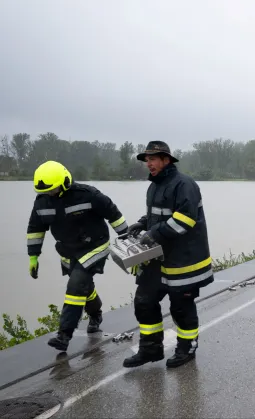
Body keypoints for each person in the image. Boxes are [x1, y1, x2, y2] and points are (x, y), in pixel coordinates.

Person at [123, 141, 214, 369]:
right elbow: (158, 217)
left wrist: (154, 232)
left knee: (181, 308)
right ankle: (150, 350)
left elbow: (185, 219)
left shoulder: (184, 184)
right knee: (144, 302)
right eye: (147, 160)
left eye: (152, 159)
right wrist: (142, 223)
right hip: (158, 259)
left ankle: (186, 348)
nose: (148, 164)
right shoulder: (154, 186)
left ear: (166, 160)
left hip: (184, 260)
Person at [26, 161, 129, 351]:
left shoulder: (88, 194)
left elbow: (113, 214)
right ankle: (96, 314)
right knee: (84, 286)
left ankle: (64, 335)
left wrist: (127, 239)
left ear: (64, 181)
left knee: (75, 284)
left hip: (95, 246)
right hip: (68, 250)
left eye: (53, 189)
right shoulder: (42, 201)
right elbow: (35, 229)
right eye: (46, 191)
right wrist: (33, 256)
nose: (50, 193)